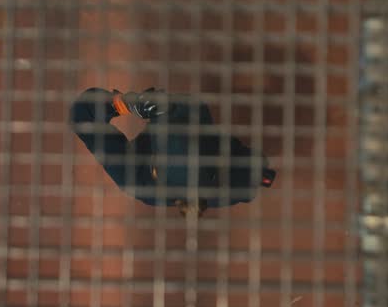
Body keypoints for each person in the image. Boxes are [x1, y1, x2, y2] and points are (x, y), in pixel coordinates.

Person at [70, 87, 275, 216]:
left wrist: (124, 104)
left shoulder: (135, 179)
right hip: (199, 139)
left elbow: (81, 113)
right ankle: (165, 115)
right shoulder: (223, 174)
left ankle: (159, 113)